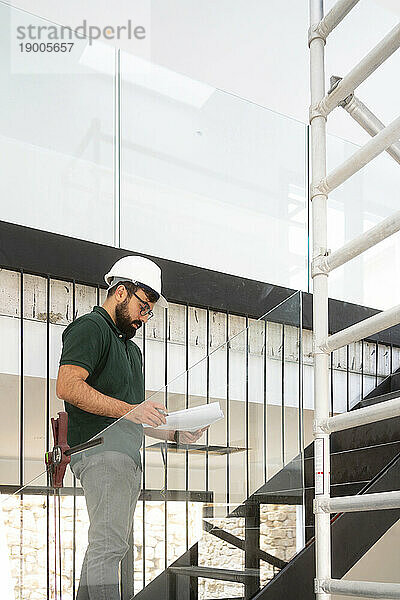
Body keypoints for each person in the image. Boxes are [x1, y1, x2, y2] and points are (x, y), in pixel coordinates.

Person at [56, 255, 206, 600]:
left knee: (113, 546)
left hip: (123, 455)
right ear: (120, 292)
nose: (144, 317)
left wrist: (173, 434)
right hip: (101, 453)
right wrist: (131, 410)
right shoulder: (90, 328)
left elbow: (132, 417)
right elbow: (68, 386)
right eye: (144, 305)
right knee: (109, 546)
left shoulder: (131, 350)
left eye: (150, 310)